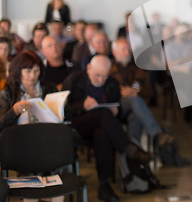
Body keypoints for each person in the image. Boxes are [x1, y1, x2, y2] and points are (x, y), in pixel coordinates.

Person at [62, 55, 152, 202]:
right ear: (89, 68)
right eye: (97, 75)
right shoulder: (74, 80)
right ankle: (129, 149)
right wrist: (81, 106)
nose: (100, 80)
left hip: (102, 127)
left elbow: (117, 109)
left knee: (102, 134)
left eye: (104, 76)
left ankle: (104, 186)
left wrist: (117, 112)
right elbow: (62, 110)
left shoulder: (112, 83)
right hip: (77, 125)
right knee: (102, 114)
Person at [109, 38, 170, 150]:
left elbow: (149, 91)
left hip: (135, 109)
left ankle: (133, 152)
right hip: (116, 106)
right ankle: (156, 134)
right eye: (123, 50)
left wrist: (134, 91)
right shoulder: (109, 68)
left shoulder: (137, 67)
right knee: (133, 100)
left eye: (128, 49)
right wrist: (120, 92)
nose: (127, 53)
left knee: (135, 117)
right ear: (114, 52)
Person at [0, 51, 58, 132]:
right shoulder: (8, 92)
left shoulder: (50, 88)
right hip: (20, 135)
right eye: (28, 71)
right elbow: (1, 123)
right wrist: (14, 111)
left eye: (36, 71)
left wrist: (63, 106)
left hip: (48, 131)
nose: (32, 76)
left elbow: (65, 117)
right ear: (19, 72)